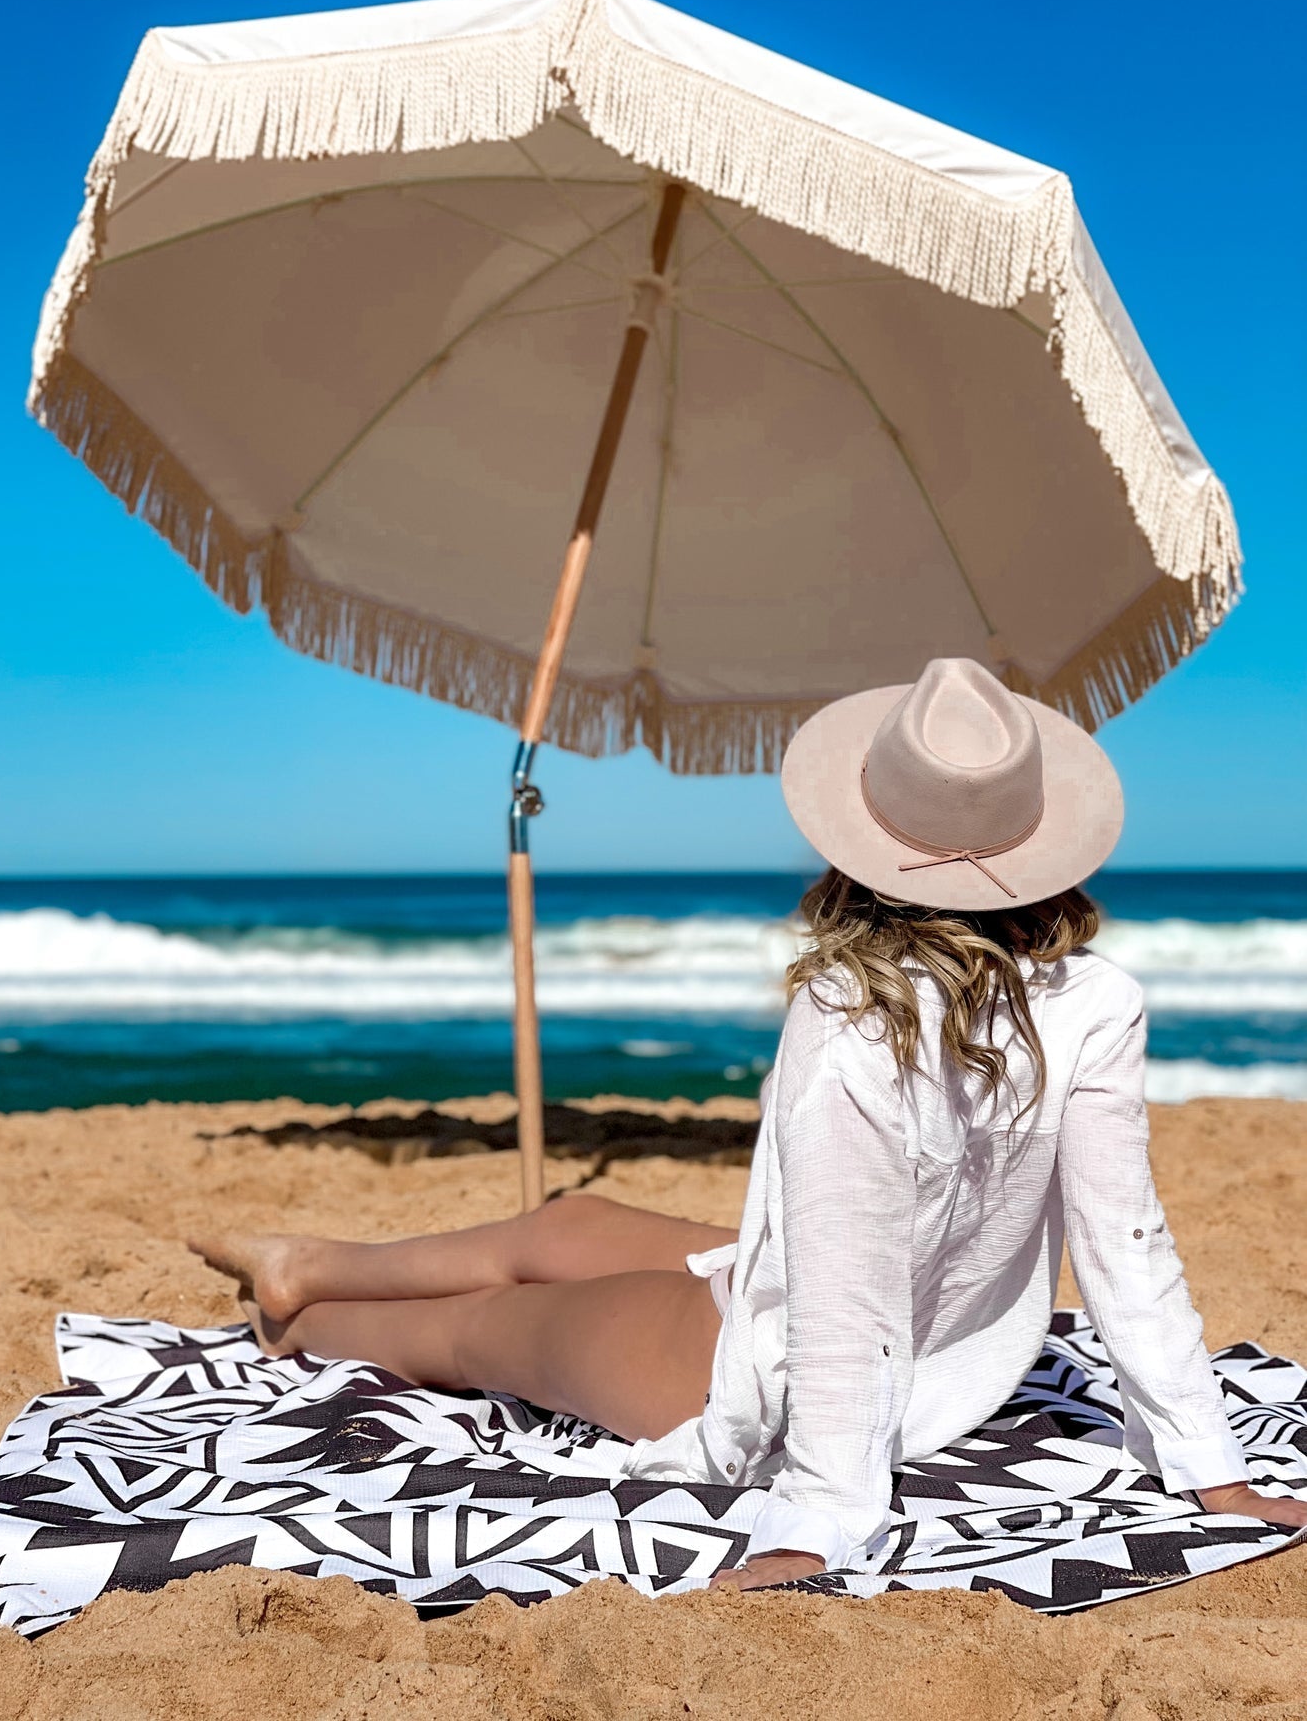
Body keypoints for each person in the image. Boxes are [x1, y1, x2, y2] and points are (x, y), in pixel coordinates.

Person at [191, 658, 1307, 1590]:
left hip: (762, 1368)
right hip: (861, 1319)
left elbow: (846, 1283)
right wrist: (1205, 1457)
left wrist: (819, 1513)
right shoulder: (1100, 1001)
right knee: (570, 1217)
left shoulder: (852, 1016)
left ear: (858, 847)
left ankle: (294, 1323)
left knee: (476, 1332)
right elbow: (1128, 1244)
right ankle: (309, 1260)